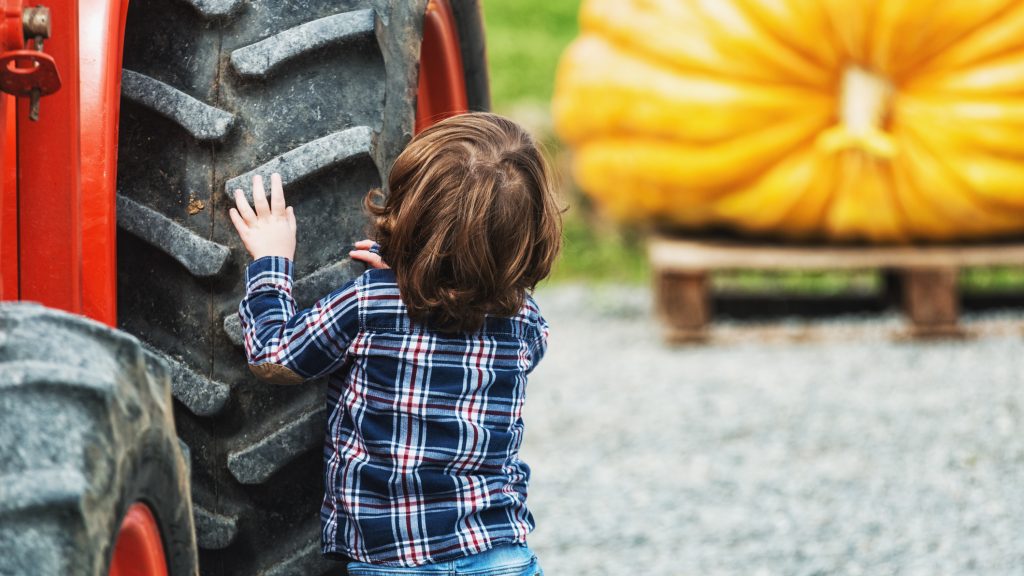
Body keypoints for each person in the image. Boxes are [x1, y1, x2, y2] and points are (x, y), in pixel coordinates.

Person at [228, 113, 562, 575]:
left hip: (394, 561)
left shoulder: (369, 303)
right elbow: (527, 346)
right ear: (531, 234)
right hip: (500, 556)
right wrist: (442, 277)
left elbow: (274, 356)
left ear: (408, 213)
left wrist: (271, 261)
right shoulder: (523, 319)